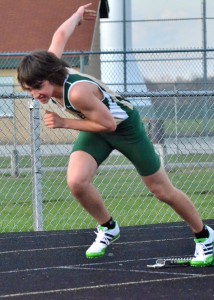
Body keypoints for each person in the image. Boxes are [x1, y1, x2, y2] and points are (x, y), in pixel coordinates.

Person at [17, 3, 214, 267]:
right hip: (95, 125)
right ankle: (108, 227)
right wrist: (77, 16)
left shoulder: (76, 93)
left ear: (50, 76)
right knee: (77, 182)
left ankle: (204, 236)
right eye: (29, 90)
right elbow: (59, 36)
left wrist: (65, 123)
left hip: (124, 128)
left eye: (37, 88)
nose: (35, 95)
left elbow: (109, 125)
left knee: (161, 190)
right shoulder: (48, 70)